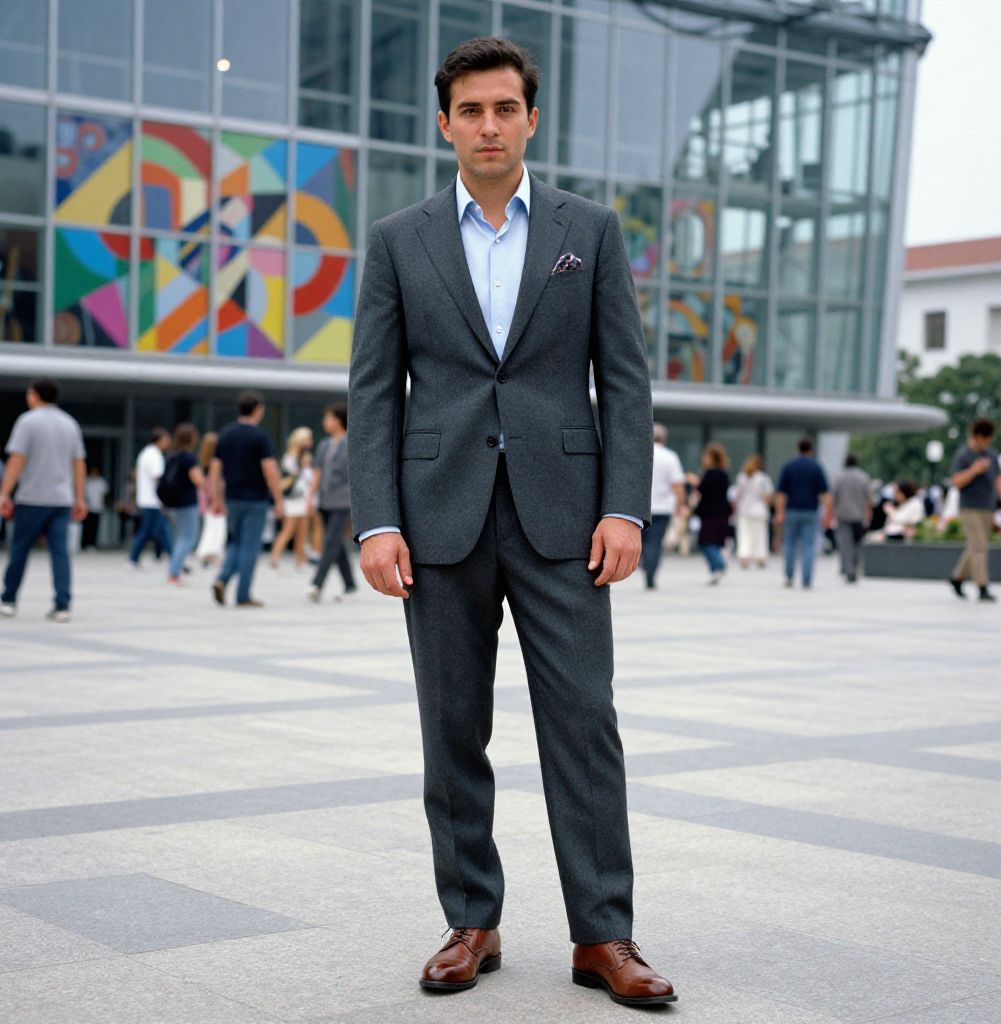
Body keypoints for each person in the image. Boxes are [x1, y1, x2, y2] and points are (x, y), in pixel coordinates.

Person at [348, 38, 675, 1007]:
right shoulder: (396, 240)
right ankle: (472, 920)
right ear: (443, 123)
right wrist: (375, 520)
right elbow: (373, 392)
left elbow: (622, 378)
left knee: (583, 723)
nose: (488, 126)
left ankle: (603, 936)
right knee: (451, 727)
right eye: (470, 111)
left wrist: (624, 505)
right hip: (436, 514)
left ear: (531, 119)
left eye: (505, 109)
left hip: (566, 520)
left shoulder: (592, 230)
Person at [0, 378, 86, 622]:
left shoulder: (27, 421)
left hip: (32, 498)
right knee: (60, 553)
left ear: (35, 395)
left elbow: (16, 460)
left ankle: (8, 600)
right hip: (61, 500)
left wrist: (4, 493)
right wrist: (80, 497)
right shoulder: (69, 423)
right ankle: (62, 605)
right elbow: (78, 463)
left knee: (20, 549)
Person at [209, 391, 283, 608]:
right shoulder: (260, 437)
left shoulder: (226, 434)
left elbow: (215, 469)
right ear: (258, 410)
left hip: (232, 498)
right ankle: (243, 595)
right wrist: (278, 499)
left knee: (234, 542)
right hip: (256, 499)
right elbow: (269, 468)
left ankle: (222, 579)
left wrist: (216, 498)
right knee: (250, 546)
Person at [948, 417, 1001, 602]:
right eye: (985, 439)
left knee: (975, 546)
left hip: (987, 507)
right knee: (980, 547)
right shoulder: (963, 455)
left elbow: (999, 480)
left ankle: (957, 578)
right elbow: (956, 482)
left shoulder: (991, 455)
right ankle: (982, 586)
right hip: (969, 507)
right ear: (976, 436)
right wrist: (974, 470)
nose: (987, 443)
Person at [307, 406, 356, 603]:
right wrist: (310, 497)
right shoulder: (324, 445)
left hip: (343, 500)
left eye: (328, 418)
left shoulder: (350, 442)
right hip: (326, 500)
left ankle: (316, 584)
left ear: (338, 420)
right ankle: (350, 583)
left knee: (329, 542)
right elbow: (317, 472)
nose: (324, 422)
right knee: (335, 542)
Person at [775, 438, 832, 590]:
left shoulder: (788, 466)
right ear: (810, 450)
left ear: (797, 449)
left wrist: (779, 511)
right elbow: (825, 494)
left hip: (792, 510)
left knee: (790, 544)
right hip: (811, 511)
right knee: (809, 545)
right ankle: (806, 580)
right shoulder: (816, 467)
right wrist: (828, 513)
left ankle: (789, 576)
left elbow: (781, 493)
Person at [640, 424, 685, 589]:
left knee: (642, 540)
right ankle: (650, 570)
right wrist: (681, 505)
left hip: (641, 507)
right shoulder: (670, 456)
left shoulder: (641, 454)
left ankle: (644, 563)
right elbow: (677, 484)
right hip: (663, 508)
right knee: (655, 542)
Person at [159, 423, 204, 584]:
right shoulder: (189, 458)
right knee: (188, 538)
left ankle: (174, 570)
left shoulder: (171, 456)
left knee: (179, 537)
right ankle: (174, 572)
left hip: (172, 503)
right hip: (187, 502)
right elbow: (198, 480)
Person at [270, 426, 313, 569]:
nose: (310, 442)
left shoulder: (304, 456)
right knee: (288, 529)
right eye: (307, 439)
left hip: (303, 496)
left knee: (303, 530)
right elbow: (293, 474)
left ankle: (300, 559)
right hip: (293, 498)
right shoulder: (290, 457)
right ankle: (275, 557)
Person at [128, 428, 172, 567]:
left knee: (153, 530)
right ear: (159, 440)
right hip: (153, 500)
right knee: (155, 530)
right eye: (166, 439)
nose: (168, 442)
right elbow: (158, 476)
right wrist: (166, 496)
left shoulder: (146, 453)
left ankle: (174, 558)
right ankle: (175, 559)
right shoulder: (154, 454)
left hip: (147, 499)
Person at [694, 442, 732, 585]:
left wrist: (695, 482)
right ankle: (715, 570)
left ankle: (719, 565)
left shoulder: (710, 474)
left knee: (706, 541)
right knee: (713, 541)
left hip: (710, 512)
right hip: (722, 512)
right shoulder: (724, 473)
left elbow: (703, 490)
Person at [832, 453, 873, 582]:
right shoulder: (864, 477)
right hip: (859, 516)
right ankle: (855, 567)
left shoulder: (839, 477)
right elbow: (869, 497)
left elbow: (833, 496)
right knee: (857, 544)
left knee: (845, 544)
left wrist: (830, 513)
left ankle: (848, 569)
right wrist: (869, 512)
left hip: (843, 514)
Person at [733, 453, 773, 569]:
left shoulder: (741, 477)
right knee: (760, 534)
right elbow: (768, 497)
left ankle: (744, 556)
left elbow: (737, 496)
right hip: (759, 510)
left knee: (744, 534)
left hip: (744, 510)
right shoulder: (763, 479)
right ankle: (760, 556)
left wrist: (735, 508)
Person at [194, 431, 226, 566]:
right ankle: (208, 553)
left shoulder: (202, 462)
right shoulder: (215, 463)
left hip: (206, 498)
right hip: (214, 498)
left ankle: (209, 553)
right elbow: (215, 483)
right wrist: (216, 500)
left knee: (211, 526)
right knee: (217, 527)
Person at [82, 465, 109, 549]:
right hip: (87, 508)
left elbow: (106, 494)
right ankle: (84, 544)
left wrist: (105, 504)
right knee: (86, 527)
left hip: (97, 508)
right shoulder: (87, 481)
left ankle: (93, 544)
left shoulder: (101, 482)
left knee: (95, 527)